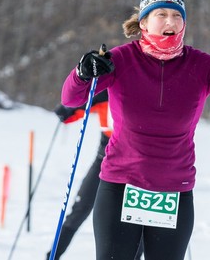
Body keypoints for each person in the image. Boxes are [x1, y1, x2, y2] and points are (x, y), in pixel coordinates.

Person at [61, 0, 210, 260]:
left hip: (174, 193)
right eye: (161, 14)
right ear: (144, 23)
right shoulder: (120, 60)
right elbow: (72, 98)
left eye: (177, 16)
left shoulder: (201, 65)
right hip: (120, 186)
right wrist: (82, 73)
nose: (170, 21)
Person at [46, 90, 143, 260]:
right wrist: (67, 108)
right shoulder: (105, 94)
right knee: (80, 209)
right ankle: (52, 256)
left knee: (139, 218)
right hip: (105, 161)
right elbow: (73, 111)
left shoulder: (142, 91)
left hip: (139, 165)